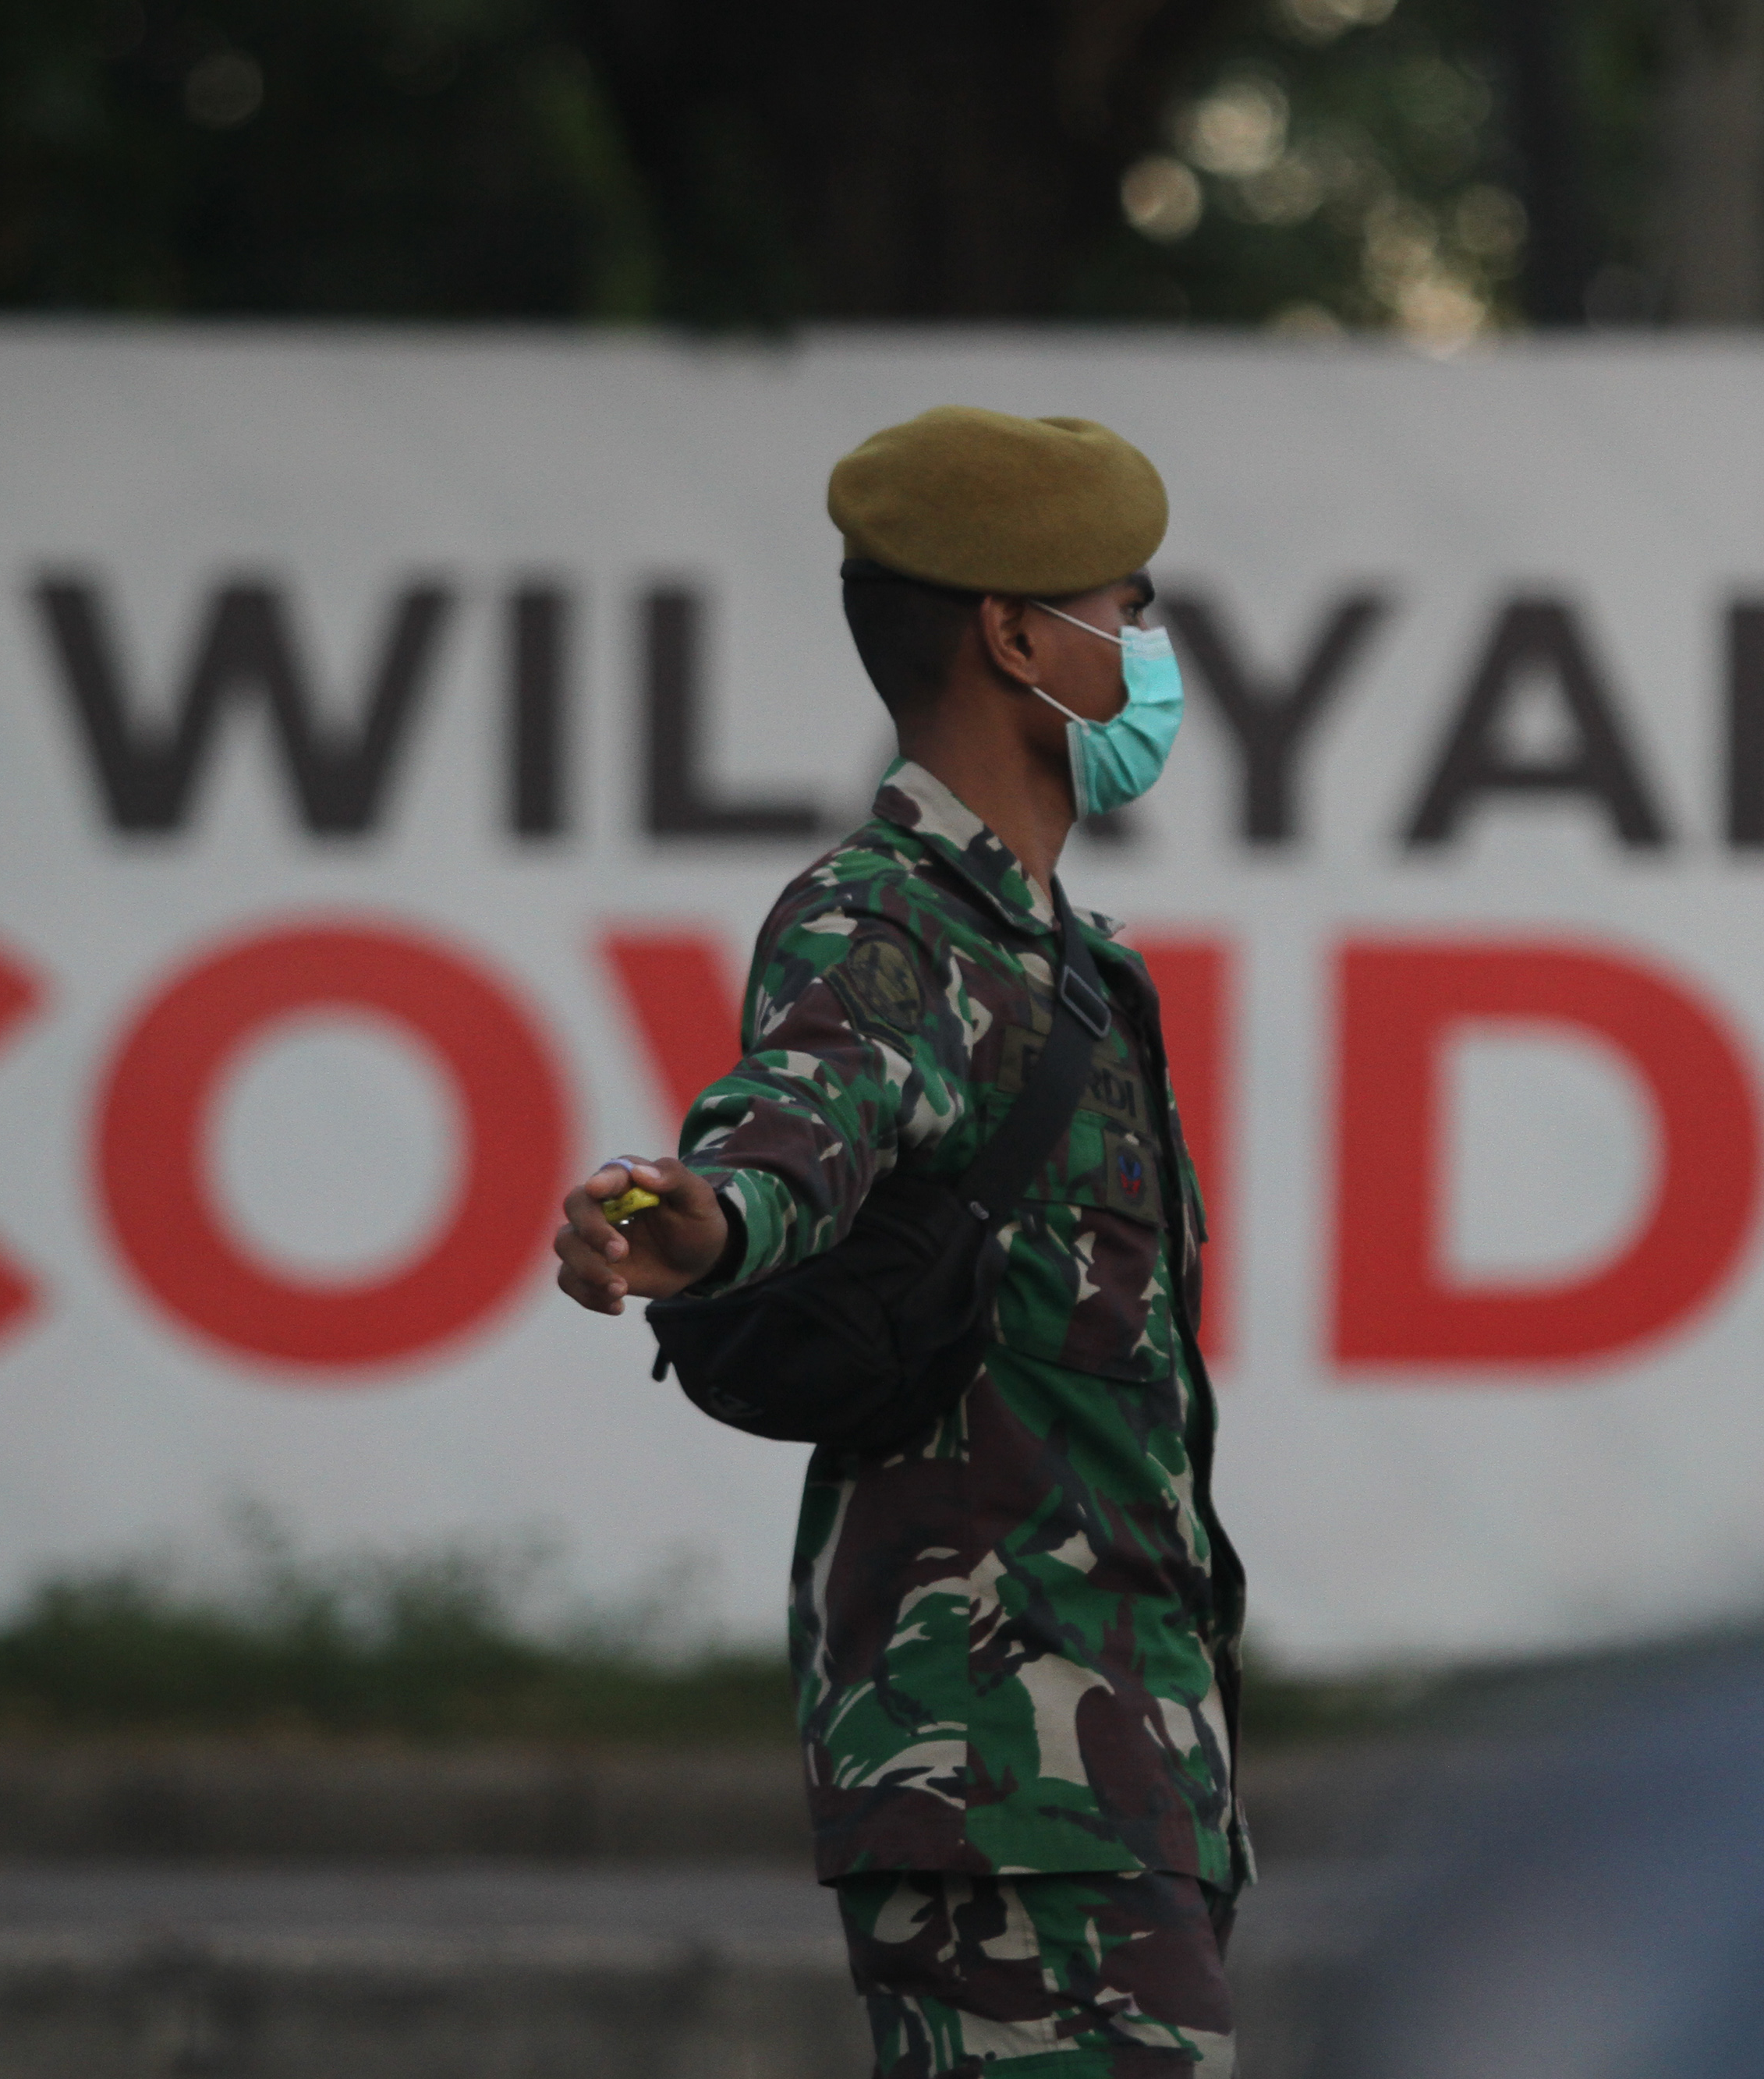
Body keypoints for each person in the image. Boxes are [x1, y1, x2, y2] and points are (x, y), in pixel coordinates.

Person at [553, 406, 1248, 2079]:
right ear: (1019, 637)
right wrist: (701, 1225)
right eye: (1128, 608)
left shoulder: (1063, 949)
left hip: (1111, 1755)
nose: (1151, 652)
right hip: (1000, 1764)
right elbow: (797, 1117)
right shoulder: (892, 922)